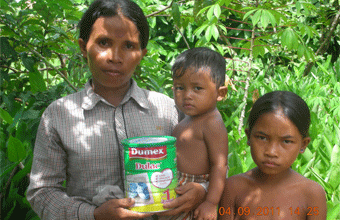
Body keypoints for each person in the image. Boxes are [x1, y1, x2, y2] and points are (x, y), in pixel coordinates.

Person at [27, 0, 207, 219]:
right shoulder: (59, 116)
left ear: (142, 53)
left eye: (129, 46)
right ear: (84, 47)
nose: (115, 57)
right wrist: (92, 214)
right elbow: (42, 192)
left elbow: (210, 165)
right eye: (104, 42)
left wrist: (200, 190)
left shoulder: (169, 109)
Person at [219, 91, 327, 220]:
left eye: (286, 141)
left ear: (303, 144)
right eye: (262, 138)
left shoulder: (312, 194)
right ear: (248, 136)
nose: (271, 151)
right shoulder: (233, 188)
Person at [170, 47, 229, 220]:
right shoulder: (188, 118)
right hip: (178, 187)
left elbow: (219, 166)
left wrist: (210, 203)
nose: (187, 95)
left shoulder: (212, 123)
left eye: (197, 88)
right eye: (180, 87)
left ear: (220, 93)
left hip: (195, 194)